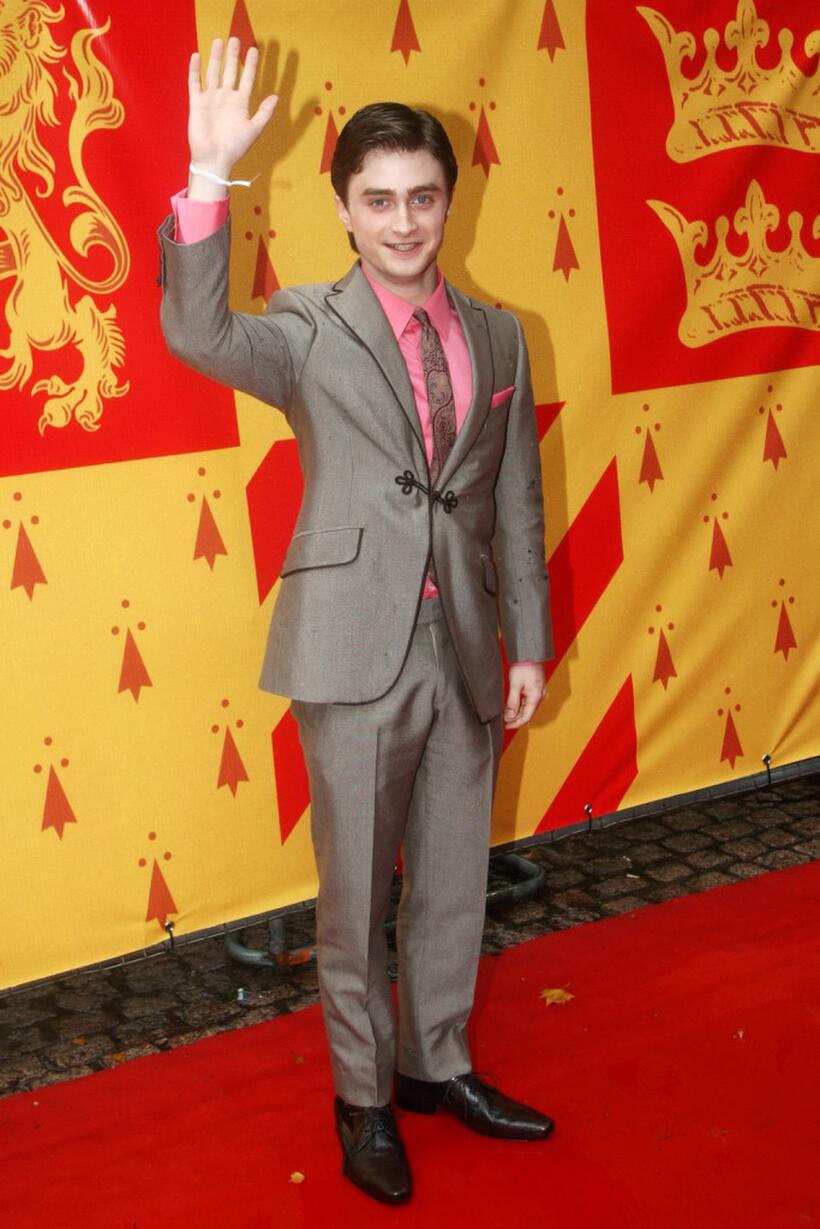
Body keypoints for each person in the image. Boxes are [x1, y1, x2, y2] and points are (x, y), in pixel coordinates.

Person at [158, 36, 556, 1206]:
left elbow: (517, 499)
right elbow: (197, 333)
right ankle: (363, 1096)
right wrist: (206, 178)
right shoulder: (302, 327)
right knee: (353, 894)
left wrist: (527, 638)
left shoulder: (497, 336)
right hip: (346, 649)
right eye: (376, 200)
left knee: (449, 877)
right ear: (341, 209)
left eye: (421, 198)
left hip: (468, 647)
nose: (402, 221)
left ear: (447, 201)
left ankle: (439, 1064)